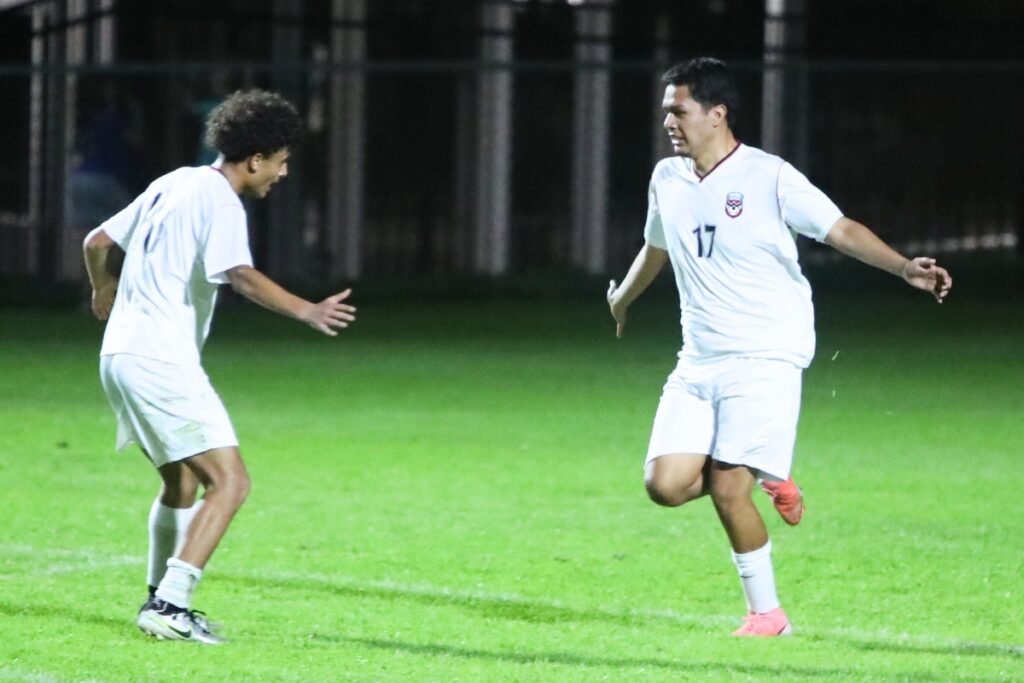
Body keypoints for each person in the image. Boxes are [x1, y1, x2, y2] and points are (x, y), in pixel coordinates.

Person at [606, 57, 951, 637]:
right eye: (667, 111)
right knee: (664, 486)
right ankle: (771, 471)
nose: (669, 121)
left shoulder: (769, 176)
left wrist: (902, 268)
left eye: (679, 110)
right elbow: (656, 248)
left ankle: (768, 615)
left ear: (717, 114)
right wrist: (622, 299)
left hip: (766, 355)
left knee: (724, 488)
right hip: (698, 360)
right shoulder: (667, 178)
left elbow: (838, 228)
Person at [82, 89, 357, 644]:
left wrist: (102, 286)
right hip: (159, 359)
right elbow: (238, 274)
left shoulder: (173, 181)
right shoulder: (222, 201)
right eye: (280, 163)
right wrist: (307, 309)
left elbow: (97, 240)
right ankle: (171, 603)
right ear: (255, 159)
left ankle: (158, 597)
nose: (281, 174)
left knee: (181, 483)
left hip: (119, 355)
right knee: (230, 483)